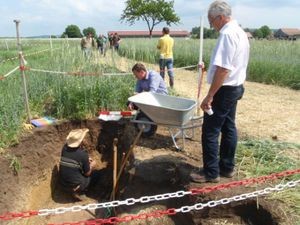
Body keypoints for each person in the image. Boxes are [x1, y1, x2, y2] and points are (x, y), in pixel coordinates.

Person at [190, 0, 250, 183]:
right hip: (235, 87)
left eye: (212, 21)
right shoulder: (240, 32)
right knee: (229, 126)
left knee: (210, 130)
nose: (212, 26)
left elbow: (224, 69)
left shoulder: (227, 34)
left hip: (224, 90)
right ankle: (227, 167)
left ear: (220, 17)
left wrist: (210, 96)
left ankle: (210, 172)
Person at [59, 128, 97, 200]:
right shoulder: (83, 154)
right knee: (92, 177)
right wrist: (92, 165)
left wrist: (85, 159)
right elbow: (87, 173)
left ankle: (73, 189)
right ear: (80, 141)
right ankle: (79, 191)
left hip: (62, 183)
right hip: (73, 186)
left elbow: (73, 157)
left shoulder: (64, 148)